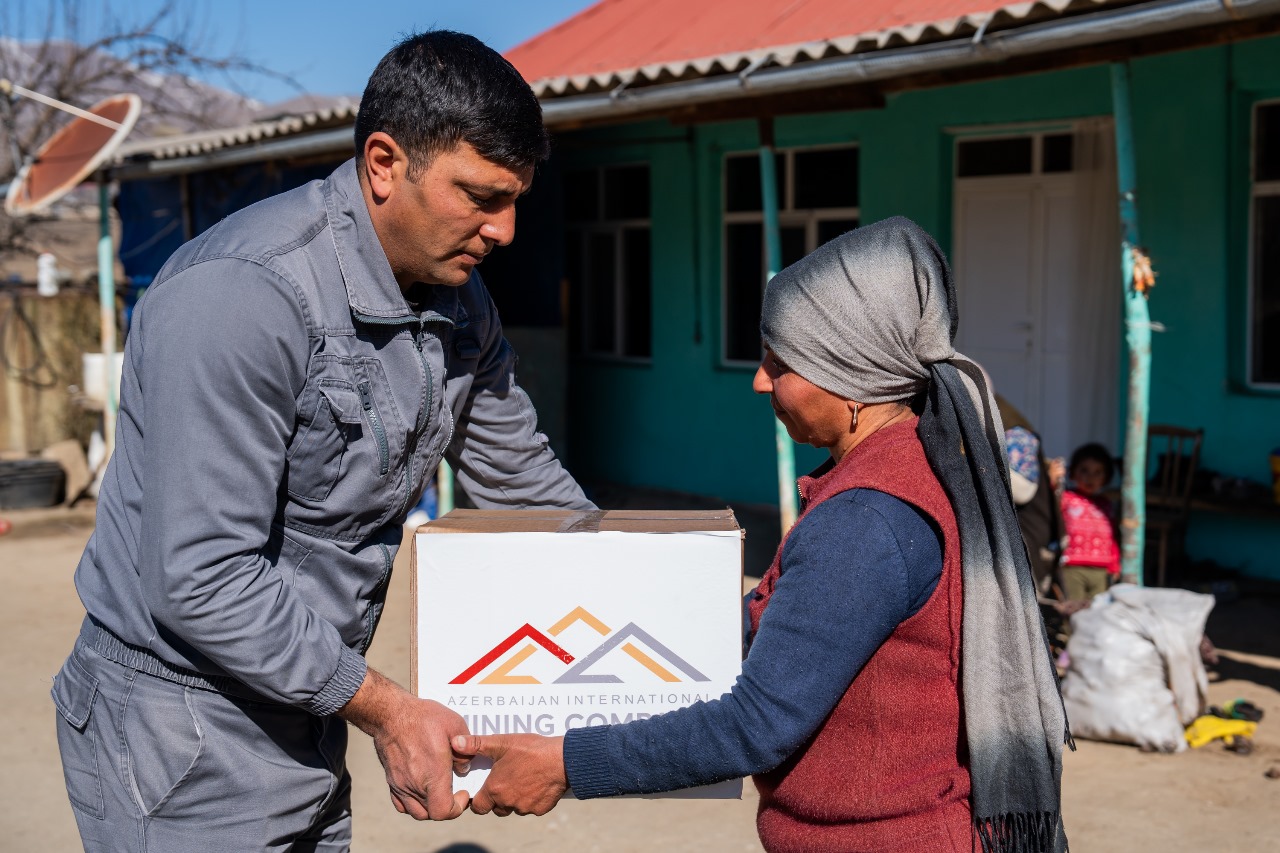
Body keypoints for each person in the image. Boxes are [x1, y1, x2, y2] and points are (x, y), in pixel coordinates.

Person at [50, 31, 592, 851]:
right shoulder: (245, 296)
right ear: (383, 164)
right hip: (179, 725)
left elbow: (525, 483)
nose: (507, 229)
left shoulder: (459, 302)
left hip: (306, 706)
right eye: (481, 196)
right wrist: (387, 708)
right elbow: (202, 575)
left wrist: (677, 604)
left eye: (515, 199)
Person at [454, 217, 1070, 853]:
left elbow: (756, 725)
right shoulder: (915, 466)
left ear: (850, 372)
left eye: (782, 362)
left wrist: (565, 761)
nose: (759, 380)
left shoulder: (866, 521)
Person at [1058, 442, 1121, 602]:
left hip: (1100, 569)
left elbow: (1112, 536)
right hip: (1072, 566)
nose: (1090, 477)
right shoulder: (1066, 498)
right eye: (1084, 470)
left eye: (1098, 472)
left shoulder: (1105, 505)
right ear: (1072, 473)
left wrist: (1114, 563)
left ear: (1106, 478)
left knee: (1097, 611)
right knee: (1073, 610)